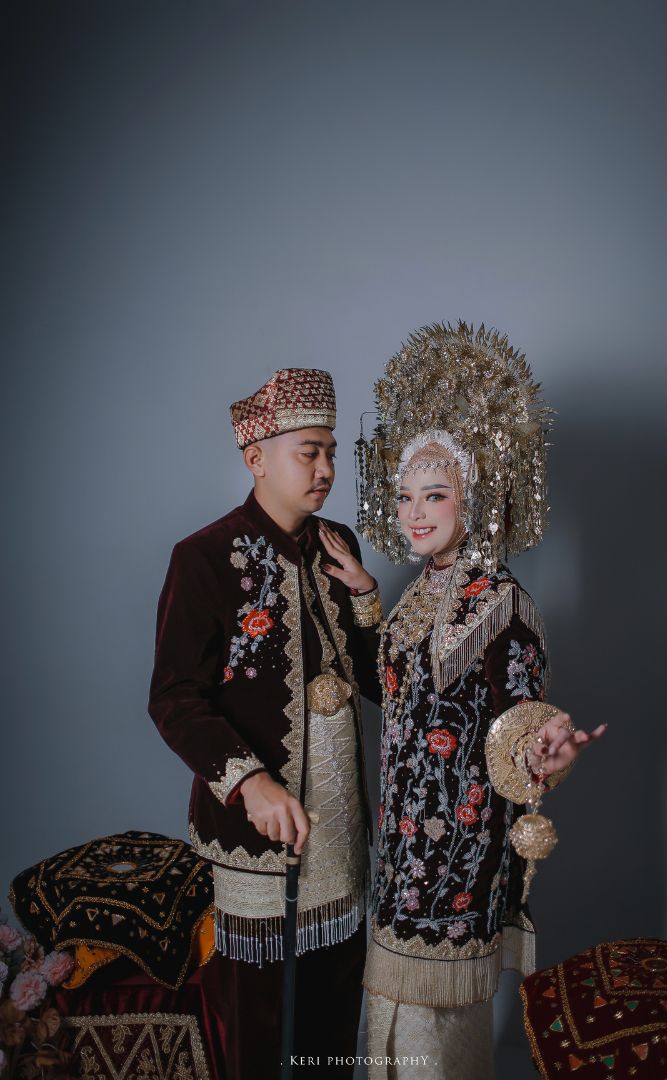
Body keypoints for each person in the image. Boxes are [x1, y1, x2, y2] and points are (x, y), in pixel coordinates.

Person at [341, 322, 607, 1079]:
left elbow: (519, 716)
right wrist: (364, 598)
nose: (414, 513)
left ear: (474, 497)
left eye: (435, 495)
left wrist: (543, 748)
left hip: (458, 851)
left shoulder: (502, 602)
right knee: (388, 1024)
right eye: (405, 496)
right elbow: (393, 697)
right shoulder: (417, 593)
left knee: (434, 1039)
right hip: (400, 847)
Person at [148, 367, 383, 1079]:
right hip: (254, 829)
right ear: (256, 458)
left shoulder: (338, 543)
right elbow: (174, 698)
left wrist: (366, 599)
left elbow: (378, 683)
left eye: (331, 452)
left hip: (338, 826)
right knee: (252, 1023)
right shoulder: (204, 557)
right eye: (309, 452)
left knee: (331, 1020)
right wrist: (249, 782)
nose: (326, 469)